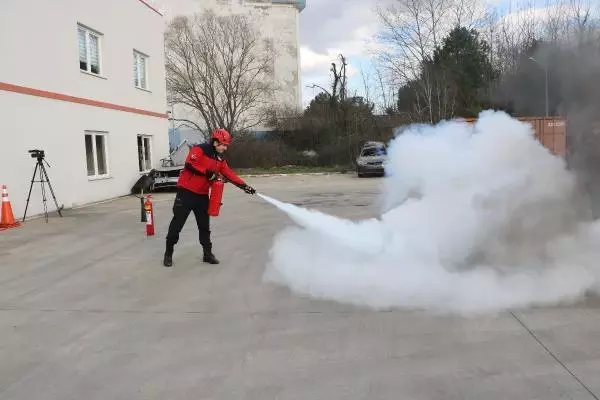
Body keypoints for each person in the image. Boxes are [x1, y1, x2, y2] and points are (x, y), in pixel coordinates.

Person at [163, 128, 256, 267]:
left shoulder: (220, 160)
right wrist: (207, 173)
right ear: (215, 142)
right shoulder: (199, 150)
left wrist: (244, 186)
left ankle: (207, 254)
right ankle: (168, 254)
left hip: (202, 197)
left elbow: (230, 174)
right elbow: (190, 164)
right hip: (186, 193)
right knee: (177, 225)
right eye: (223, 145)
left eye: (226, 146)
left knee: (204, 227)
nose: (224, 148)